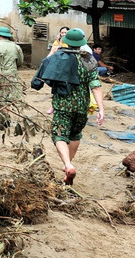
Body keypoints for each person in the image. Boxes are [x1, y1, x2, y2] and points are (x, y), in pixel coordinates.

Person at [31, 27, 105, 184]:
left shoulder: (59, 57)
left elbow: (44, 70)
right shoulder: (89, 59)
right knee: (75, 135)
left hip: (63, 105)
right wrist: (101, 109)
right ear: (81, 43)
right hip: (82, 106)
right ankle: (68, 165)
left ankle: (68, 165)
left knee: (59, 135)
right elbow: (96, 86)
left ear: (65, 41)